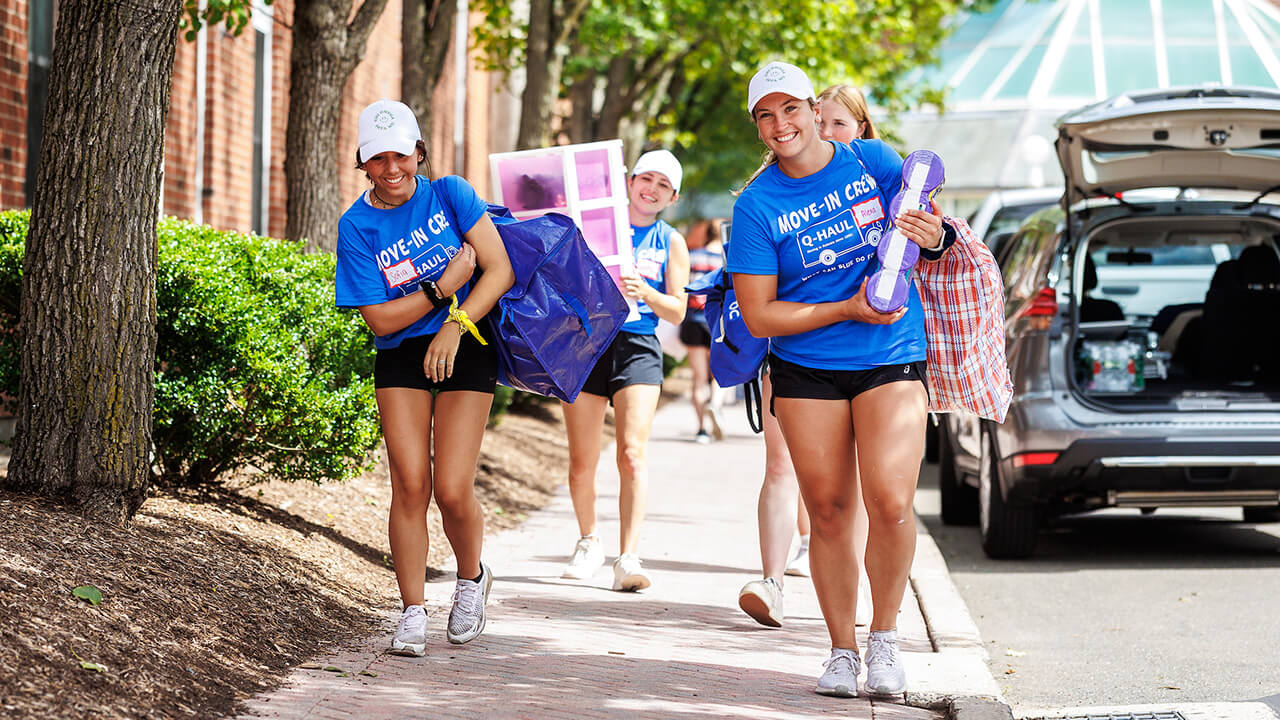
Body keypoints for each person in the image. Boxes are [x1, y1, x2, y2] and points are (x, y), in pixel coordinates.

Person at [729, 62, 955, 698]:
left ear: (810, 106)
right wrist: (845, 308)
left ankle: (885, 639)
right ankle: (842, 651)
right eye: (765, 116)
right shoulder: (756, 206)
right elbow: (760, 314)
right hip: (807, 368)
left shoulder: (874, 161)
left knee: (890, 501)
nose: (781, 125)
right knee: (828, 513)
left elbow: (926, 233)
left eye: (790, 109)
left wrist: (931, 234)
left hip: (891, 352)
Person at [334, 99, 515, 656]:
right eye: (378, 159)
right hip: (400, 357)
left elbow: (500, 269)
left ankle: (470, 580)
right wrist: (441, 288)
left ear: (419, 152)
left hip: (467, 343)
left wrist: (454, 324)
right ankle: (412, 610)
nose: (392, 169)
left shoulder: (452, 194)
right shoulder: (357, 226)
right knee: (410, 484)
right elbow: (380, 319)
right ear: (363, 164)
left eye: (402, 155)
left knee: (452, 487)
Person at [559, 149, 691, 591]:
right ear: (629, 180)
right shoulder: (596, 223)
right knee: (583, 458)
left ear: (673, 197)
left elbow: (677, 311)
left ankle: (628, 557)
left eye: (662, 186)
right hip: (587, 341)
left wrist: (646, 292)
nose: (651, 190)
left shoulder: (671, 240)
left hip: (637, 345)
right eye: (645, 179)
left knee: (632, 453)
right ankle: (588, 541)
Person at [681, 218, 727, 443]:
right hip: (718, 321)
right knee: (719, 373)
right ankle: (715, 404)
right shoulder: (727, 258)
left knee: (699, 378)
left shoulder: (693, 255)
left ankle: (701, 430)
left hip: (692, 319)